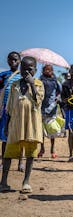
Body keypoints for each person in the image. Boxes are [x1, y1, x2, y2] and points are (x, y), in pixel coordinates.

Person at [0, 56, 44, 193]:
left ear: (35, 70)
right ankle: (4, 182)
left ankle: (26, 182)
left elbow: (38, 101)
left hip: (32, 124)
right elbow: (9, 108)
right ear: (20, 69)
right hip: (15, 124)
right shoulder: (15, 85)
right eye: (23, 68)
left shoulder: (38, 84)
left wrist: (31, 84)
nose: (26, 72)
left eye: (30, 69)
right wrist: (6, 126)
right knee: (8, 153)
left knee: (31, 154)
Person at [0, 51, 24, 172]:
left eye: (16, 60)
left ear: (20, 61)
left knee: (20, 136)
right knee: (5, 136)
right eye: (11, 59)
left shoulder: (23, 75)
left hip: (19, 110)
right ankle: (4, 161)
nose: (13, 62)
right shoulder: (3, 75)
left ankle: (20, 161)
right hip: (5, 109)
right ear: (8, 61)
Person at [38, 64, 62, 159]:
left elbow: (60, 92)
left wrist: (56, 100)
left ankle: (52, 149)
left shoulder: (55, 81)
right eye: (46, 70)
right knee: (41, 130)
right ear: (43, 71)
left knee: (52, 129)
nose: (48, 71)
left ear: (52, 71)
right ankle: (42, 148)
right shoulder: (40, 80)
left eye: (50, 70)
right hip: (41, 108)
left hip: (52, 108)